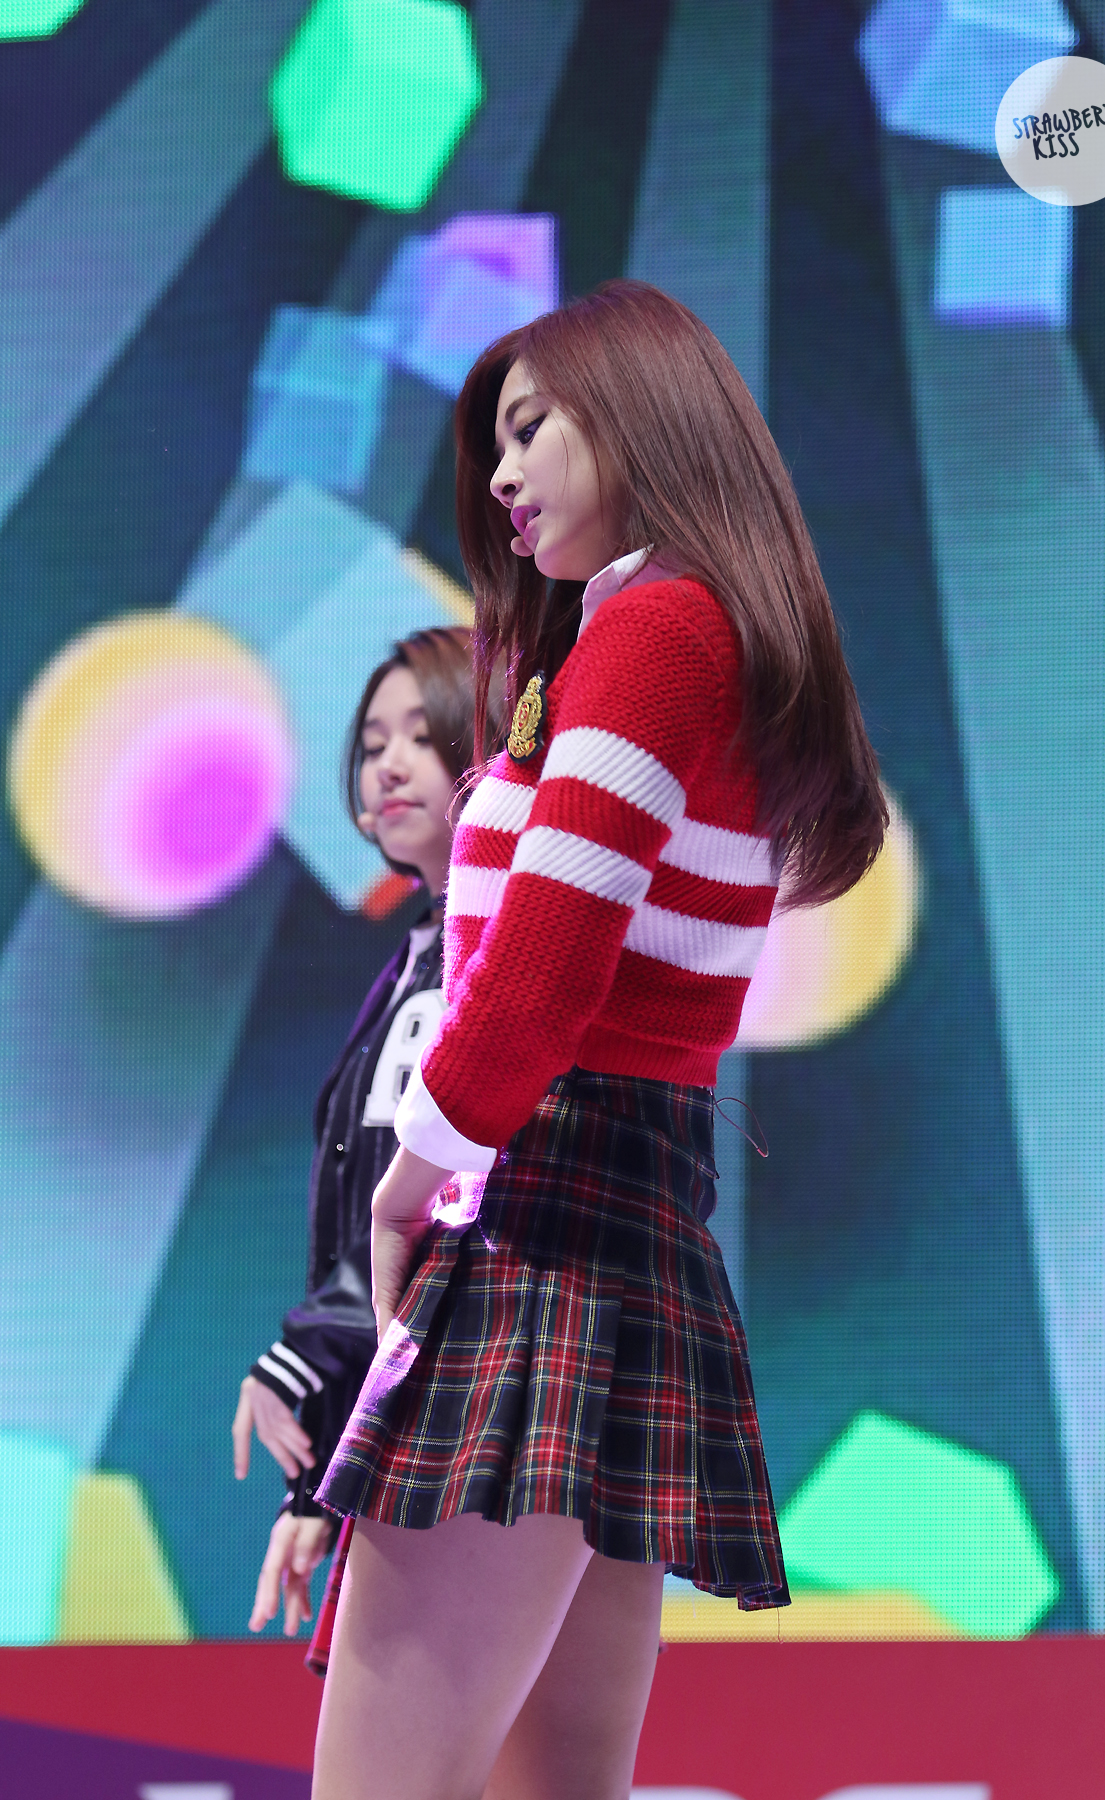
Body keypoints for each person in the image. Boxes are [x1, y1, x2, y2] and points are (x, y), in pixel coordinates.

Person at [311, 280, 889, 1800]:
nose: (502, 476)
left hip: (542, 1219)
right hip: (622, 1221)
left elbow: (544, 970)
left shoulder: (655, 630)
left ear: (637, 412)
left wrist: (408, 1177)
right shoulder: (685, 630)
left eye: (530, 427)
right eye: (493, 445)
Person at [231, 625, 482, 1643]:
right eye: (373, 743)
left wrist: (302, 1357)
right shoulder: (421, 958)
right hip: (419, 1426)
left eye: (422, 735)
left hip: (475, 1421)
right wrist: (317, 1490)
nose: (388, 764)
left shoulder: (483, 958)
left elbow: (445, 1206)